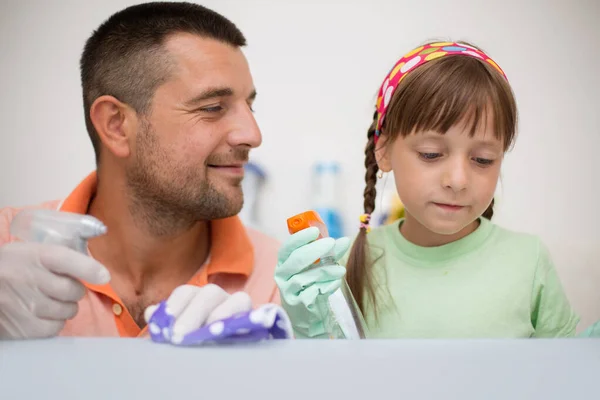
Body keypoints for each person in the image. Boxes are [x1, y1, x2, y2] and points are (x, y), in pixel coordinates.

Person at [275, 41, 600, 339]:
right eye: (431, 154)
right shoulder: (345, 268)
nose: (457, 180)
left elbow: (563, 376)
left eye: (483, 159)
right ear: (384, 151)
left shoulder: (528, 261)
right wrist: (308, 335)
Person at [0, 2, 280, 340]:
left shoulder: (278, 283)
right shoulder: (9, 243)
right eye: (212, 107)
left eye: (249, 105)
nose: (252, 135)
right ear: (116, 124)